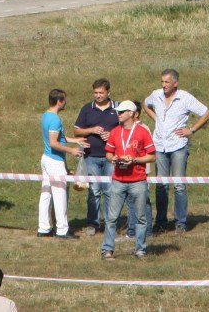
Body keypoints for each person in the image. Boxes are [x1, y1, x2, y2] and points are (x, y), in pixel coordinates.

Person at [144, 68, 209, 235]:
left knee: (179, 185)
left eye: (167, 82)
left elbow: (206, 113)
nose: (163, 85)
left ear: (175, 83)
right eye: (162, 81)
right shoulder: (156, 95)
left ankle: (180, 222)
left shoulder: (185, 97)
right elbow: (146, 104)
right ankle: (160, 222)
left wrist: (191, 130)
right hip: (160, 145)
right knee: (161, 185)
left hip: (178, 145)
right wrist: (156, 119)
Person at [100, 100, 155, 260]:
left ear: (131, 113)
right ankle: (107, 250)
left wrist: (135, 160)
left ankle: (140, 250)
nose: (119, 114)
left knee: (140, 218)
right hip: (118, 179)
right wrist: (113, 159)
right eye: (118, 112)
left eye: (122, 112)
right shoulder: (115, 131)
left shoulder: (143, 132)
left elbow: (152, 156)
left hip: (138, 180)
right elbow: (108, 153)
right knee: (111, 218)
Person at [38, 88, 88, 239]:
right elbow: (54, 142)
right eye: (64, 100)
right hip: (54, 160)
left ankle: (43, 228)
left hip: (46, 158)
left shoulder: (46, 115)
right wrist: (71, 150)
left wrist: (75, 140)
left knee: (46, 193)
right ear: (59, 101)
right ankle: (62, 230)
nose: (65, 102)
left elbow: (58, 137)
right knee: (60, 195)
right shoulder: (55, 119)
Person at [73, 79, 118, 237]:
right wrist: (91, 130)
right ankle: (92, 223)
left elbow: (125, 130)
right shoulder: (87, 109)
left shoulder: (117, 108)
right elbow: (76, 131)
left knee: (110, 191)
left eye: (101, 93)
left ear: (108, 92)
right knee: (94, 191)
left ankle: (110, 223)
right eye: (95, 93)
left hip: (111, 157)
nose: (98, 96)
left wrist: (111, 135)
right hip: (91, 156)